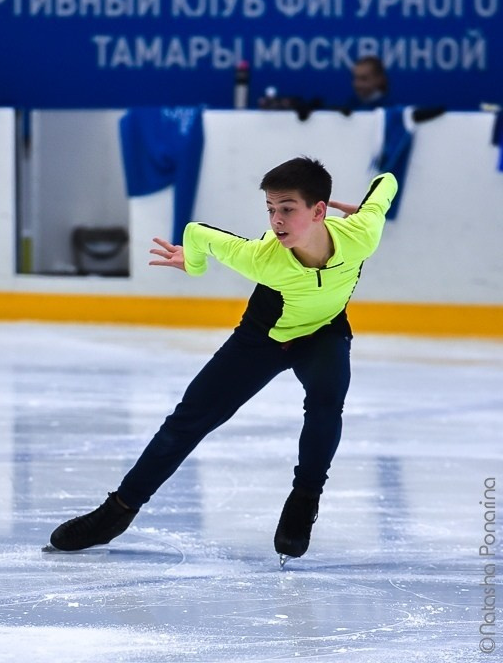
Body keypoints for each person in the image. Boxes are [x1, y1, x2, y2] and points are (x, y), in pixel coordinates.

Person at [48, 157, 398, 560]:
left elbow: (385, 182)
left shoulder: (361, 235)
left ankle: (304, 500)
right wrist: (191, 265)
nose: (276, 221)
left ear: (319, 210)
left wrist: (362, 208)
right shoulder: (262, 258)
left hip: (324, 332)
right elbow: (198, 233)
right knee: (188, 421)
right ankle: (117, 512)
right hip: (263, 336)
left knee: (326, 405)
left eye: (287, 209)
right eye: (270, 210)